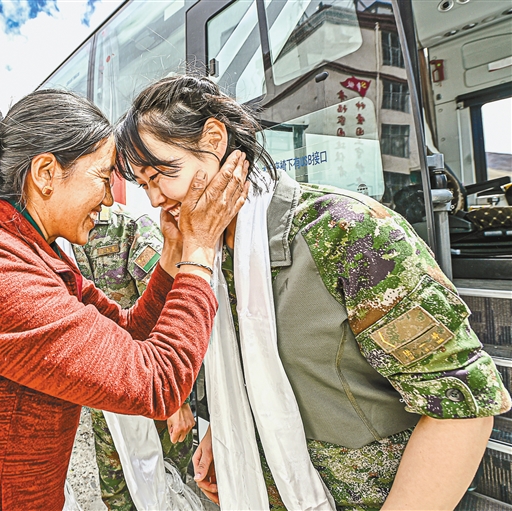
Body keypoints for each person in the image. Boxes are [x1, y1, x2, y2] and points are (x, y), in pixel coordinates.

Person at [114, 75, 511, 511]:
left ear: (213, 139)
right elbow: (255, 372)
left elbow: (462, 405)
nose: (156, 199)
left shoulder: (345, 232)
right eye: (144, 184)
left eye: (162, 174)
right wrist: (225, 433)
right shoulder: (208, 253)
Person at [0, 89, 251, 510]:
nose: (109, 199)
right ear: (46, 173)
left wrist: (175, 251)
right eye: (103, 178)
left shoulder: (31, 254)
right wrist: (200, 250)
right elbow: (158, 382)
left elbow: (129, 333)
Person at [61, 204, 195, 510]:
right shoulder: (57, 240)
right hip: (102, 397)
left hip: (150, 390)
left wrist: (178, 398)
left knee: (165, 488)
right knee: (116, 494)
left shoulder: (130, 229)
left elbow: (170, 309)